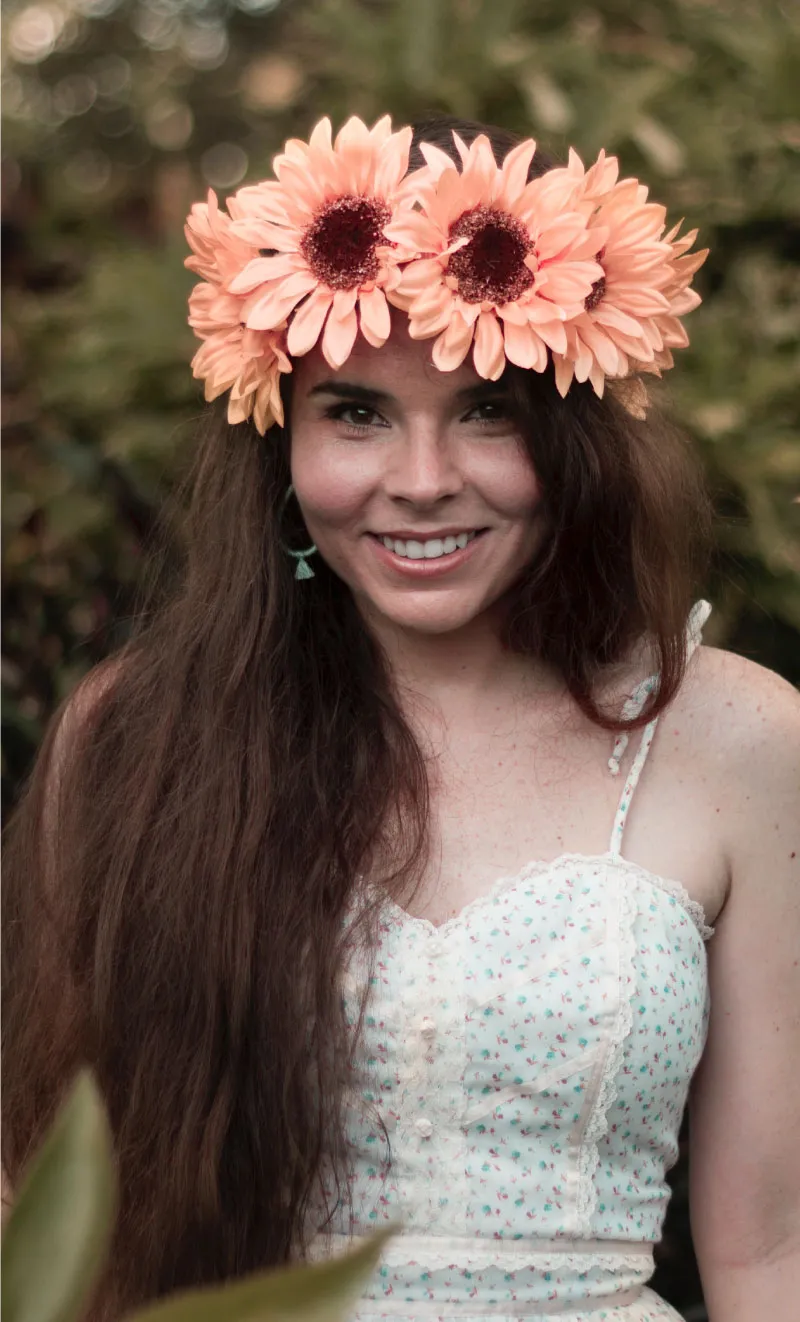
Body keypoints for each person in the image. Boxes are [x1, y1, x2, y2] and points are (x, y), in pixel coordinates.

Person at [2, 113, 798, 1322]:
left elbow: (771, 1248)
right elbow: (34, 1203)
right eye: (356, 412)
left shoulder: (732, 733)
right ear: (280, 441)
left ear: (575, 434)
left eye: (488, 409)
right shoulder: (135, 738)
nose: (422, 478)